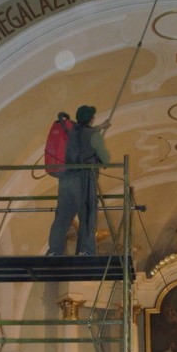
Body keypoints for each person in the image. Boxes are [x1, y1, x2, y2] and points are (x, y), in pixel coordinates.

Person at [46, 105, 110, 256]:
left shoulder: (68, 130)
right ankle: (86, 251)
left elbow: (82, 133)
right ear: (92, 119)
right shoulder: (93, 135)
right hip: (84, 181)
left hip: (65, 180)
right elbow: (105, 159)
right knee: (87, 217)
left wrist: (100, 127)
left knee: (62, 218)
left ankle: (54, 251)